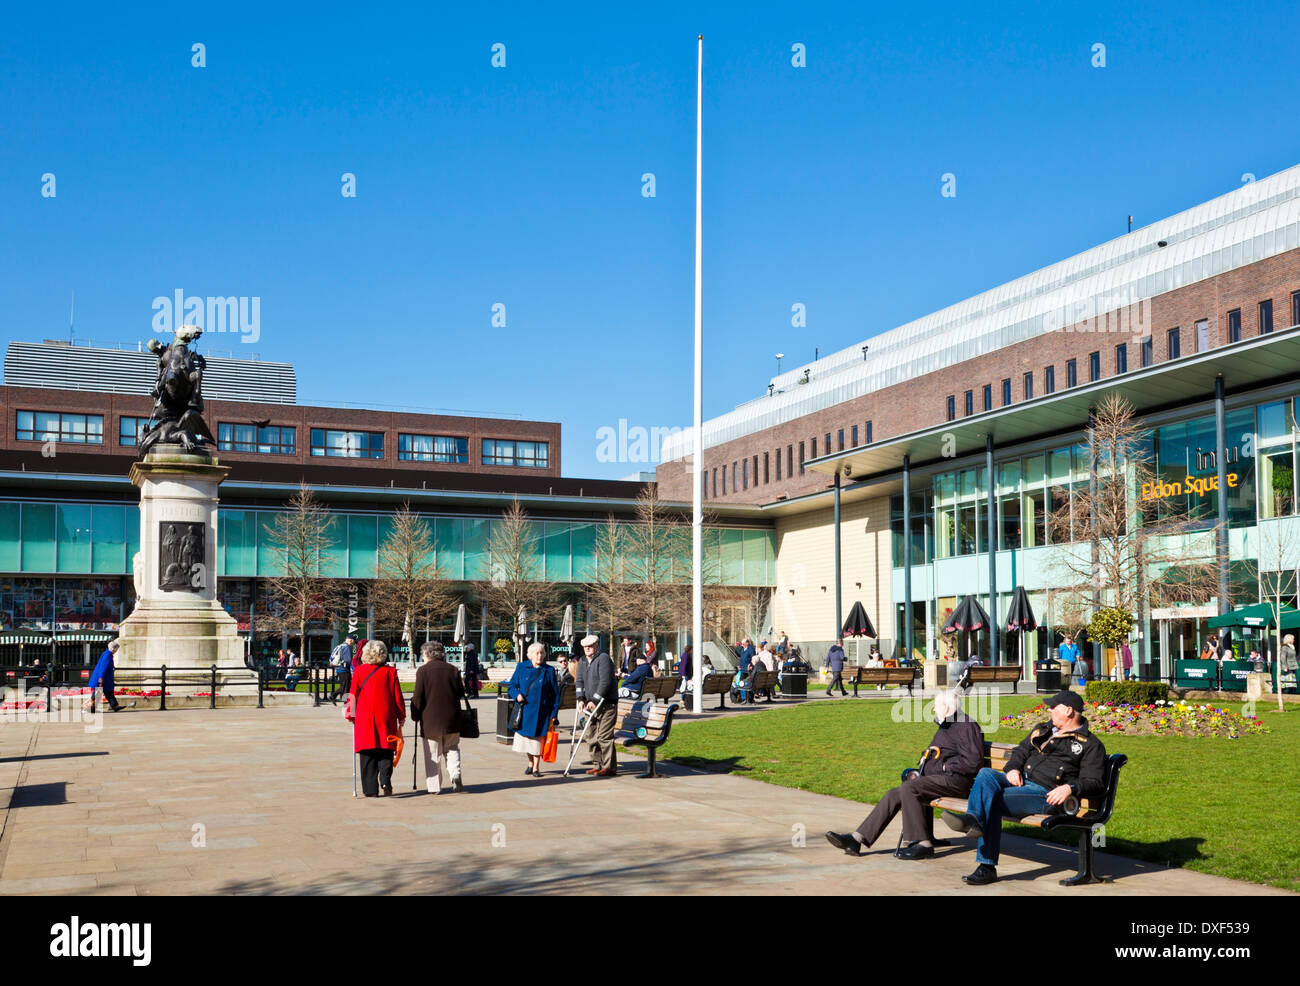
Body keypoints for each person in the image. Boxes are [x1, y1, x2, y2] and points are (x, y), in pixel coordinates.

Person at [943, 689, 1107, 886]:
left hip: (1044, 794)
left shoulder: (1090, 744)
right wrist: (1012, 769)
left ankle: (986, 866)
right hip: (1020, 782)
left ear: (1069, 711)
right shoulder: (1043, 729)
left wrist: (1069, 788)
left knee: (992, 801)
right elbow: (1020, 751)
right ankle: (973, 819)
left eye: (1054, 706)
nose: (1050, 709)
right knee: (986, 774)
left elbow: (1095, 781)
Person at [825, 690, 983, 859]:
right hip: (938, 779)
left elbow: (974, 761)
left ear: (946, 707)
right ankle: (856, 839)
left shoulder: (966, 725)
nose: (934, 710)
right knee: (894, 794)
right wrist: (926, 758)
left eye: (936, 706)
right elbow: (936, 750)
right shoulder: (946, 725)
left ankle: (922, 843)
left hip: (955, 781)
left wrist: (944, 766)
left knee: (910, 788)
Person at [346, 639, 406, 798]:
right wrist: (401, 716)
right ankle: (385, 780)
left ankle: (370, 789)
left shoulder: (359, 671)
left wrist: (349, 713)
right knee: (386, 749)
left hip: (364, 715)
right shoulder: (390, 672)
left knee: (367, 752)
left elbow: (352, 695)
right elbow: (397, 697)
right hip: (386, 715)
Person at [409, 641, 465, 794]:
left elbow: (418, 697)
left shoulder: (423, 671)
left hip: (430, 720)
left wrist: (415, 715)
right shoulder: (453, 669)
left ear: (427, 654)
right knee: (452, 748)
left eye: (422, 654)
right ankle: (455, 774)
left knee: (433, 754)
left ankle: (434, 787)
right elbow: (461, 692)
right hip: (452, 719)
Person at [507, 642, 562, 778]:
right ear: (530, 655)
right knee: (527, 741)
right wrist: (517, 695)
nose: (540, 655)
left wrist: (554, 714)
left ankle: (536, 767)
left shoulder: (549, 670)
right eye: (537, 653)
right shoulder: (521, 667)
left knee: (538, 741)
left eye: (542, 653)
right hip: (525, 710)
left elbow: (555, 694)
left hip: (542, 712)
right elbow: (512, 686)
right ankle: (530, 763)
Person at [575, 633, 618, 776]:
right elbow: (579, 681)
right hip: (589, 705)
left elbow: (605, 682)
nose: (587, 649)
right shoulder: (582, 661)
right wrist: (580, 698)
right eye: (585, 646)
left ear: (596, 645)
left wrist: (595, 699)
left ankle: (609, 766)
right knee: (591, 736)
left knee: (603, 736)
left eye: (590, 646)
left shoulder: (603, 658)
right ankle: (597, 764)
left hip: (606, 704)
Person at [86, 640, 122, 713]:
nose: (116, 651)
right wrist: (101, 678)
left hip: (105, 678)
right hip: (103, 678)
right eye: (116, 649)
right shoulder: (108, 655)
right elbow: (103, 667)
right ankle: (90, 708)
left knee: (107, 692)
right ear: (114, 649)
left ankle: (115, 705)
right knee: (98, 693)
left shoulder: (106, 654)